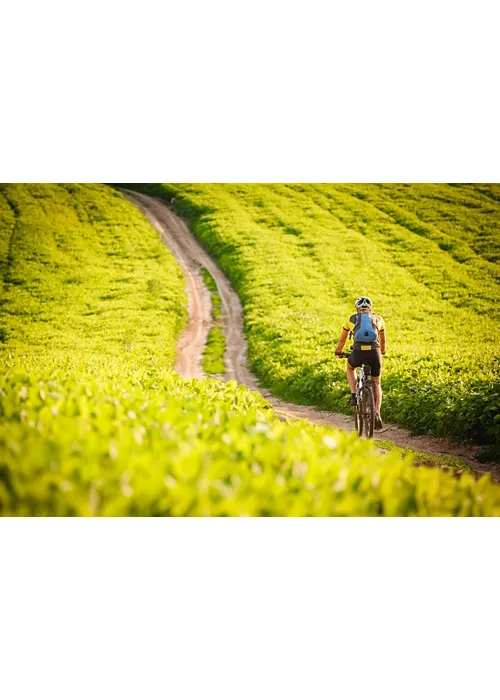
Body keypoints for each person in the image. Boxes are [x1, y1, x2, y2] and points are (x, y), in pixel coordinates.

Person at [335, 296, 386, 430]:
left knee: (350, 367)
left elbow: (342, 341)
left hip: (357, 352)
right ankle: (377, 413)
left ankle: (353, 394)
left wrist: (339, 351)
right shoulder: (379, 319)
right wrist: (383, 352)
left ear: (357, 308)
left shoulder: (351, 319)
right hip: (375, 352)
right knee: (377, 382)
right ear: (370, 308)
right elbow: (383, 343)